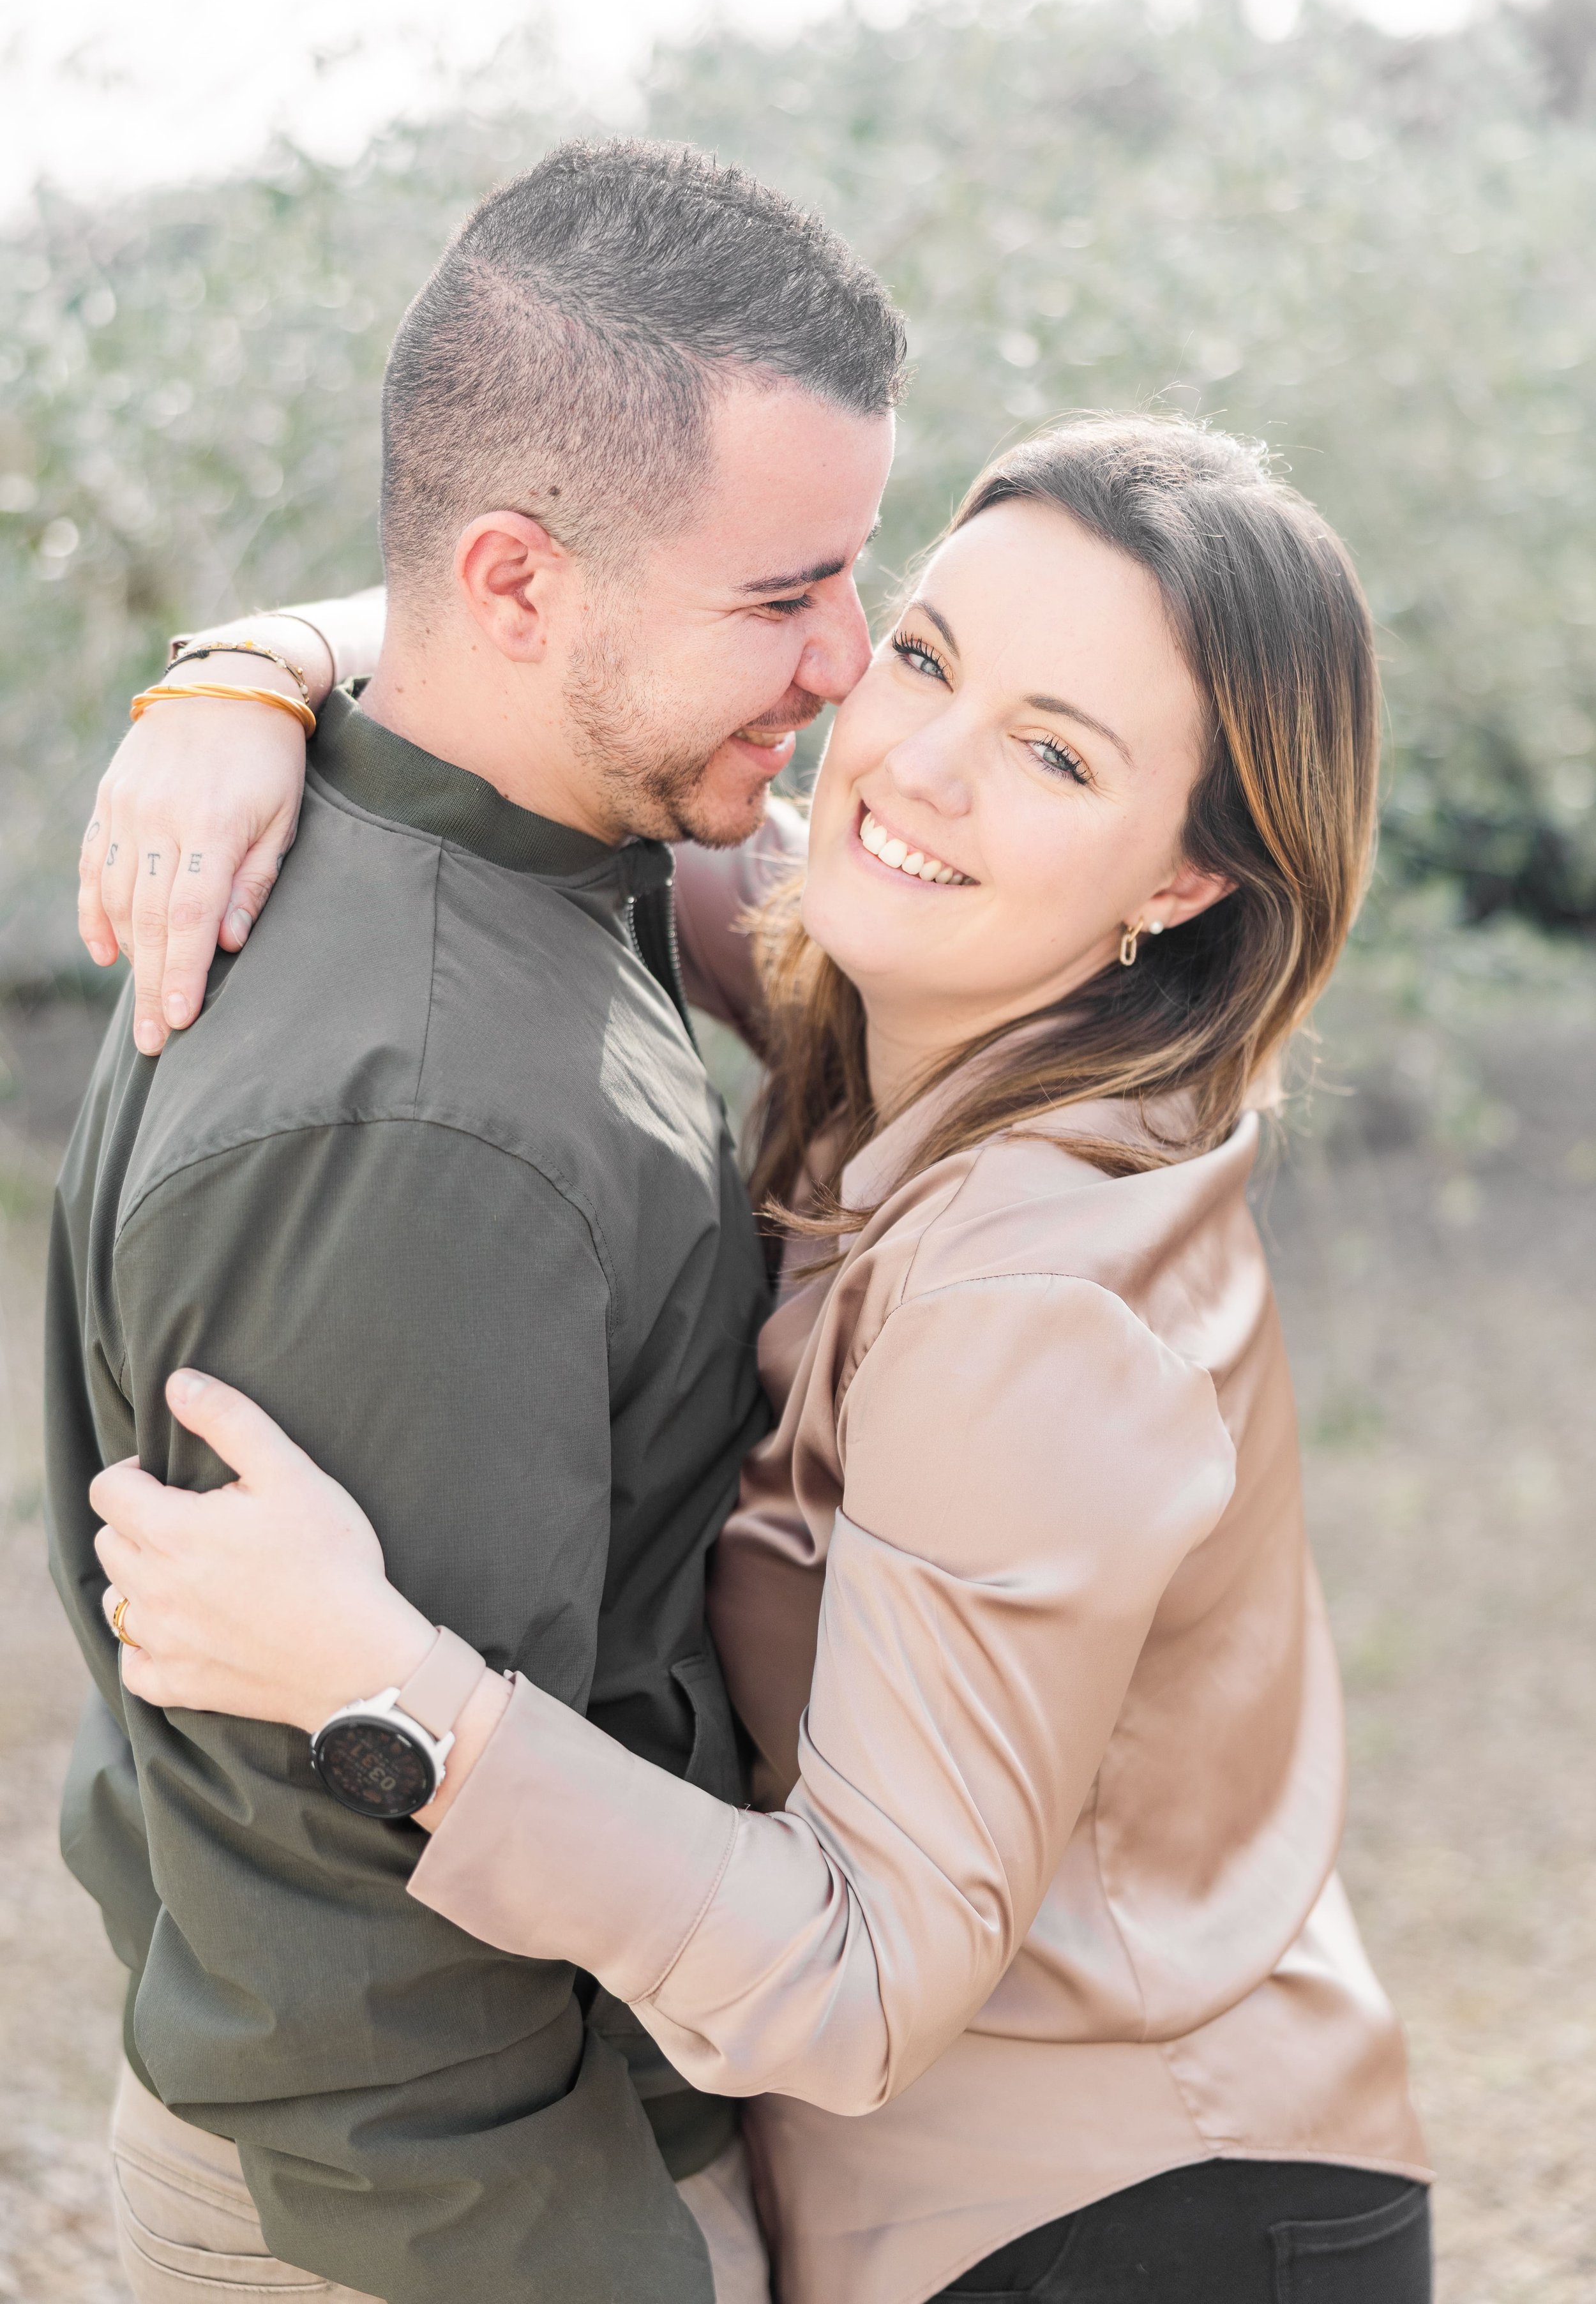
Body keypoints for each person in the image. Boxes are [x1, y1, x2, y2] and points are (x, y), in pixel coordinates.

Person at [85, 414, 1433, 2304]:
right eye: (927, 656)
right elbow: (533, 685)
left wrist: (384, 1687)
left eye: (1055, 753)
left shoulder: (1025, 1307)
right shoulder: (891, 971)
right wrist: (245, 676)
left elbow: (868, 1980)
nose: (920, 768)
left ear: (1186, 883)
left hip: (1133, 2224)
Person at [47, 136, 904, 2304]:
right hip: (455, 2222)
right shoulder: (426, 1122)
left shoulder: (536, 817)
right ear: (518, 587)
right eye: (783, 594)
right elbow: (349, 1920)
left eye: (853, 573)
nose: (847, 661)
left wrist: (242, 663)